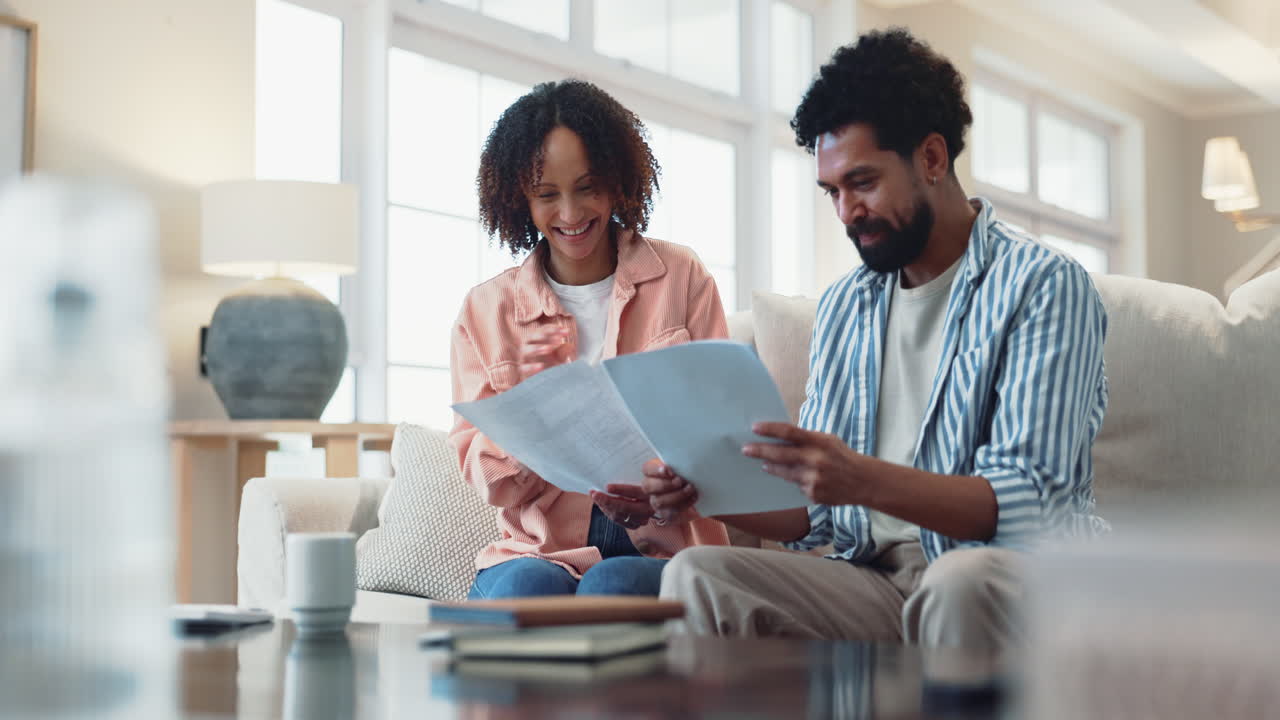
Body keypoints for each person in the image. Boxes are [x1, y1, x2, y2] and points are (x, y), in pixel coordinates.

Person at [644, 29, 1108, 650]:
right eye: (832, 191)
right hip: (874, 582)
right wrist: (701, 493)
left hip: (1011, 580)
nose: (845, 212)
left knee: (958, 582)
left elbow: (1030, 505)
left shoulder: (1044, 287)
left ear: (933, 159)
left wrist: (861, 478)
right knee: (697, 574)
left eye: (862, 182)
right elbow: (816, 521)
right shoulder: (844, 306)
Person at [450, 79, 731, 600]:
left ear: (618, 180)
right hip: (538, 552)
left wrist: (668, 490)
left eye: (587, 187)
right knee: (527, 587)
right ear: (520, 199)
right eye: (547, 195)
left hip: (666, 546)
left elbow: (719, 434)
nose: (572, 214)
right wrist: (535, 405)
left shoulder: (681, 277)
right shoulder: (484, 313)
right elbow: (490, 483)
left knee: (614, 581)